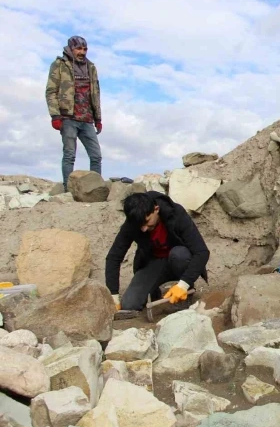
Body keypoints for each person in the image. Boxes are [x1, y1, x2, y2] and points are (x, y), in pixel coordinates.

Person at [105, 192, 210, 311]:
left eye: (147, 221)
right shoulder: (134, 222)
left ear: (156, 209)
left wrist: (183, 285)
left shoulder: (176, 213)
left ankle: (184, 295)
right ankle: (153, 293)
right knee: (130, 304)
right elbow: (114, 257)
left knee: (179, 254)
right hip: (154, 263)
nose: (143, 229)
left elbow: (202, 252)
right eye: (140, 225)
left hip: (178, 260)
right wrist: (113, 296)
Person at [45, 35, 103, 191]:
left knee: (96, 156)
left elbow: (96, 93)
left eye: (85, 49)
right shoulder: (59, 65)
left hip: (87, 119)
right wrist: (55, 116)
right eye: (78, 48)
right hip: (68, 117)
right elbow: (51, 91)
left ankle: (96, 189)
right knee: (70, 155)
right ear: (71, 49)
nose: (82, 52)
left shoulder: (91, 67)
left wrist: (98, 118)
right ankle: (68, 189)